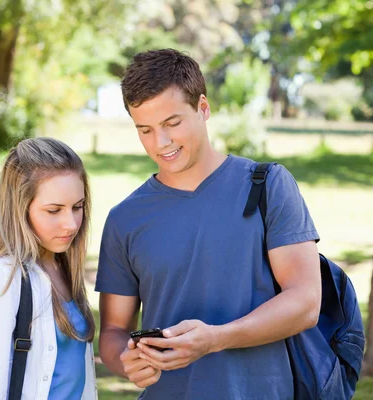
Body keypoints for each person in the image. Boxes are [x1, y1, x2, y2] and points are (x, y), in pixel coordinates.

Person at [95, 49, 322, 399]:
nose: (161, 143)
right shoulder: (125, 218)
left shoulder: (266, 186)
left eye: (172, 123)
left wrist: (216, 339)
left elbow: (306, 301)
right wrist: (125, 360)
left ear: (203, 108)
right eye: (145, 130)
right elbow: (112, 330)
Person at [0, 137, 97, 399]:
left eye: (78, 207)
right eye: (54, 210)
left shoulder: (63, 267)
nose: (71, 223)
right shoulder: (1, 278)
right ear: (19, 209)